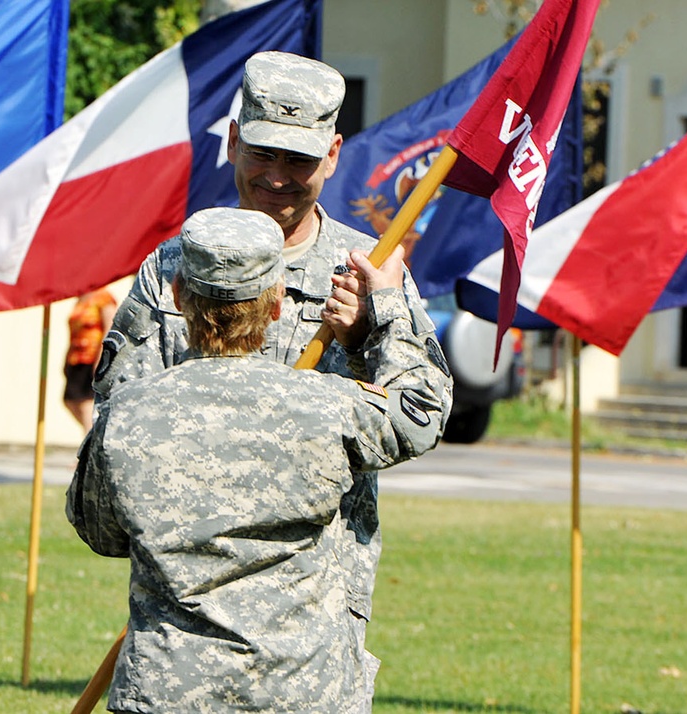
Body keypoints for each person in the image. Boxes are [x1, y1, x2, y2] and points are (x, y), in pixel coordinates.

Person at [93, 50, 453, 695]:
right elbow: (122, 410)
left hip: (312, 591)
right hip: (188, 586)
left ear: (334, 154)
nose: (278, 176)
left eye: (299, 160)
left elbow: (421, 411)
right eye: (262, 153)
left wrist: (373, 330)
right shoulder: (176, 265)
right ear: (232, 141)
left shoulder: (366, 272)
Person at [69, 207, 446, 713]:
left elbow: (100, 531)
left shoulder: (129, 412)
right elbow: (418, 414)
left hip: (169, 688)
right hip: (299, 686)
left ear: (178, 296)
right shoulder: (327, 404)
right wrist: (385, 309)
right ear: (276, 304)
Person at [64, 288, 117, 432]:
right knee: (71, 400)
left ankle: (91, 440)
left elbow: (109, 327)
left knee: (85, 403)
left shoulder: (103, 298)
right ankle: (94, 433)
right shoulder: (81, 299)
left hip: (92, 357)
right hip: (77, 358)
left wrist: (102, 357)